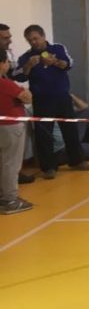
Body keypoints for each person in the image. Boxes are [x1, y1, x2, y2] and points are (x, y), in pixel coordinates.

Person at [14, 25, 89, 178]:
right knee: (44, 135)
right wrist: (29, 65)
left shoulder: (58, 48)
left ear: (43, 36)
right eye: (30, 40)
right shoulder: (26, 57)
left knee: (70, 130)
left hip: (62, 97)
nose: (33, 42)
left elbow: (69, 64)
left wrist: (55, 61)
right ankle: (49, 168)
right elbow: (18, 76)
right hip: (41, 100)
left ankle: (77, 161)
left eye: (36, 38)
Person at [0, 50, 33, 214]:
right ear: (3, 63)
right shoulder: (6, 84)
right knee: (11, 164)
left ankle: (3, 196)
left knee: (2, 163)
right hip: (11, 127)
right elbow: (27, 98)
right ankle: (11, 199)